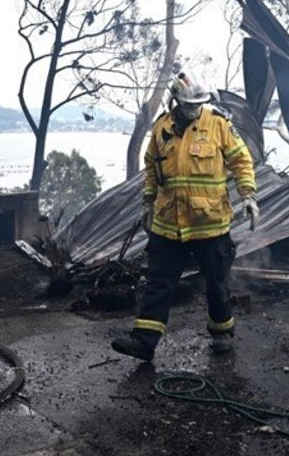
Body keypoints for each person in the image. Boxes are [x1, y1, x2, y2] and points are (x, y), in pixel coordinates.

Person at [111, 73, 259, 362]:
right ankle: (143, 342)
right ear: (175, 100)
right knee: (158, 282)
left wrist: (249, 196)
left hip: (210, 224)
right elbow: (152, 169)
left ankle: (222, 333)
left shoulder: (218, 125)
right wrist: (147, 203)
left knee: (216, 283)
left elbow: (241, 161)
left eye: (198, 104)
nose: (194, 109)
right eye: (188, 104)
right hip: (168, 224)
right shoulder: (161, 128)